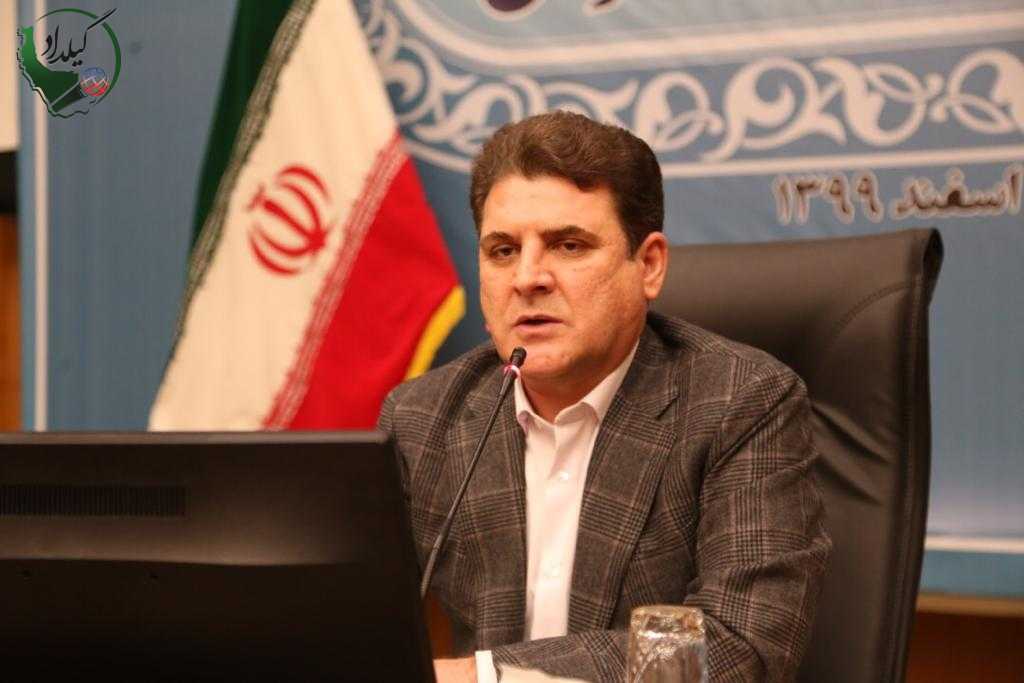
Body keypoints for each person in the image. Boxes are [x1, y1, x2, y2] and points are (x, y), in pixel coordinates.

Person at [378, 111, 831, 682]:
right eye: (503, 250)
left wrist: (485, 676)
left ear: (649, 265)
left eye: (568, 245)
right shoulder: (423, 417)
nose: (528, 278)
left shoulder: (742, 403)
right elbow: (350, 622)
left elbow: (740, 646)